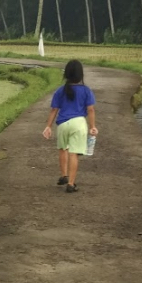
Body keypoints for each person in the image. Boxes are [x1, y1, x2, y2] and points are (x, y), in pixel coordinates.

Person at [42, 60, 97, 193]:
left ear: (66, 74)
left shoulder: (60, 91)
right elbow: (90, 110)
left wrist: (48, 126)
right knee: (74, 154)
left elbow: (54, 110)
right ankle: (71, 184)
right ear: (81, 75)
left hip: (62, 124)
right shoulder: (86, 90)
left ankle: (63, 176)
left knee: (63, 149)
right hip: (78, 123)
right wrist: (92, 126)